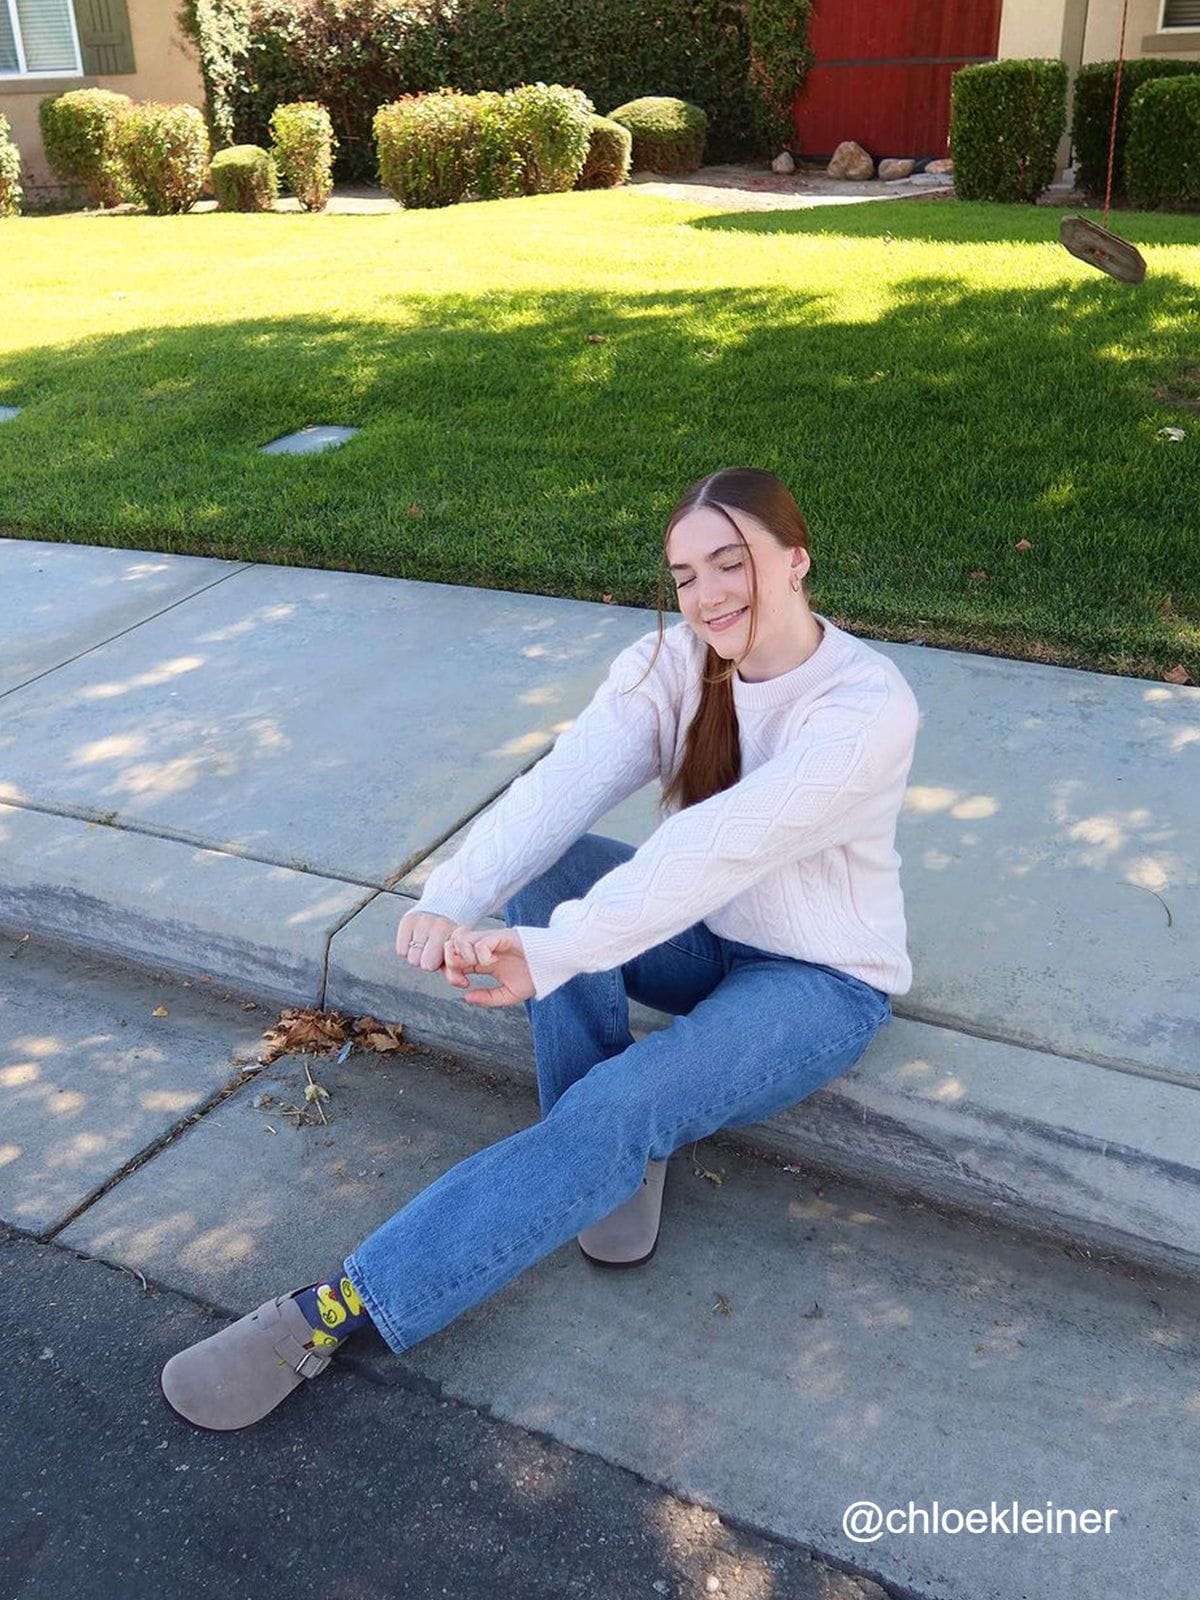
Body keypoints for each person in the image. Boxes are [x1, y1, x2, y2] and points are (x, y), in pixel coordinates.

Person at [159, 466, 921, 1431]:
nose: (707, 594)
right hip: (706, 936)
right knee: (556, 868)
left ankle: (336, 1308)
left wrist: (553, 951)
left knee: (620, 1101)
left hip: (819, 980)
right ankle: (600, 1155)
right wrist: (452, 899)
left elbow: (713, 846)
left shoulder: (863, 706)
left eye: (731, 563)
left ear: (797, 560)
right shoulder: (676, 664)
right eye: (685, 576)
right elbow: (563, 786)